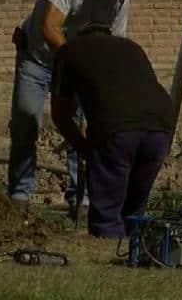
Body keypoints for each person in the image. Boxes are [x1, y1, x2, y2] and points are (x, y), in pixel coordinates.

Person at [7, 0, 155, 211]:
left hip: (78, 68)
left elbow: (113, 48)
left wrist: (97, 88)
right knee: (26, 122)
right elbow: (50, 27)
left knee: (83, 130)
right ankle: (20, 194)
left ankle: (82, 198)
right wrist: (79, 66)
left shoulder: (119, 0)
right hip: (38, 59)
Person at [50, 23, 172, 238]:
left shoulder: (69, 51)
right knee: (134, 206)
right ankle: (133, 246)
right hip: (160, 128)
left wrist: (82, 146)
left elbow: (60, 113)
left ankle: (106, 244)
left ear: (77, 36)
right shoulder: (131, 47)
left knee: (107, 209)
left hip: (117, 130)